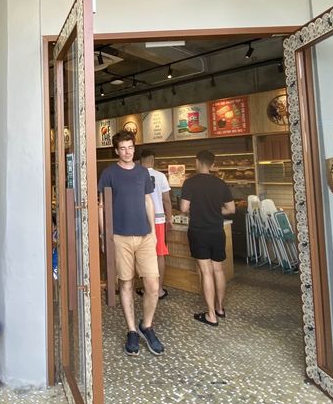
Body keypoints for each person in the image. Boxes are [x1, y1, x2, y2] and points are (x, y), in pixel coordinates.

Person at [98, 130, 164, 357]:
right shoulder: (109, 173)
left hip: (145, 236)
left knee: (153, 285)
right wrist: (105, 235)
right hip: (120, 236)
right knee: (125, 284)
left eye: (131, 148)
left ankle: (147, 325)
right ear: (116, 150)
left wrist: (154, 232)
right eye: (123, 148)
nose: (127, 152)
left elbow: (148, 201)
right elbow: (101, 206)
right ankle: (132, 330)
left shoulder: (143, 172)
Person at [179, 150, 235, 327]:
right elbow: (231, 209)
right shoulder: (221, 183)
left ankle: (211, 315)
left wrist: (198, 210)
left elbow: (183, 208)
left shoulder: (190, 183)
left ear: (196, 162)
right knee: (218, 269)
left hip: (198, 231)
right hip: (217, 231)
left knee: (206, 271)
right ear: (212, 165)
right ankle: (219, 308)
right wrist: (215, 212)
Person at [140, 149, 172, 300]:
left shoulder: (137, 175)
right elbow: (166, 200)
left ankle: (147, 288)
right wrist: (170, 217)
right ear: (153, 160)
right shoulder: (160, 176)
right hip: (159, 220)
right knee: (159, 254)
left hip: (141, 220)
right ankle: (158, 289)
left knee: (143, 255)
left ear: (141, 160)